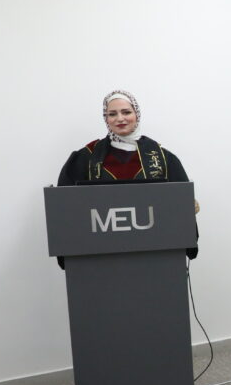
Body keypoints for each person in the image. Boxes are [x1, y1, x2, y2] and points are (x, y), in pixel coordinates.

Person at [56, 90, 197, 266]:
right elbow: (65, 208)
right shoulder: (87, 157)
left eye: (126, 112)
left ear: (136, 114)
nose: (120, 118)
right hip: (100, 258)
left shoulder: (161, 157)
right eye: (112, 114)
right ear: (106, 118)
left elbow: (181, 205)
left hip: (154, 256)